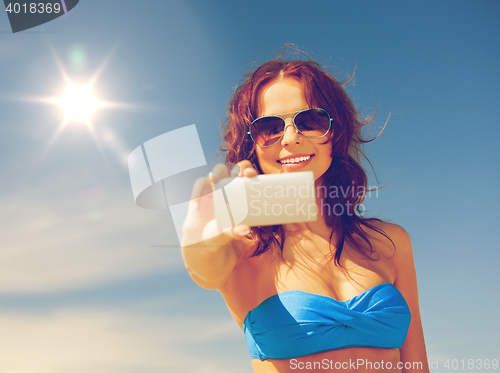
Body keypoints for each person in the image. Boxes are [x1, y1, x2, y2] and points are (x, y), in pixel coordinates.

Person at [181, 56, 429, 372]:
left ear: (335, 133)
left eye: (310, 120)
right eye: (269, 127)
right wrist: (200, 237)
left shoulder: (390, 242)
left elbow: (417, 364)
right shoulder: (244, 245)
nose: (290, 137)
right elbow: (206, 266)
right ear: (253, 145)